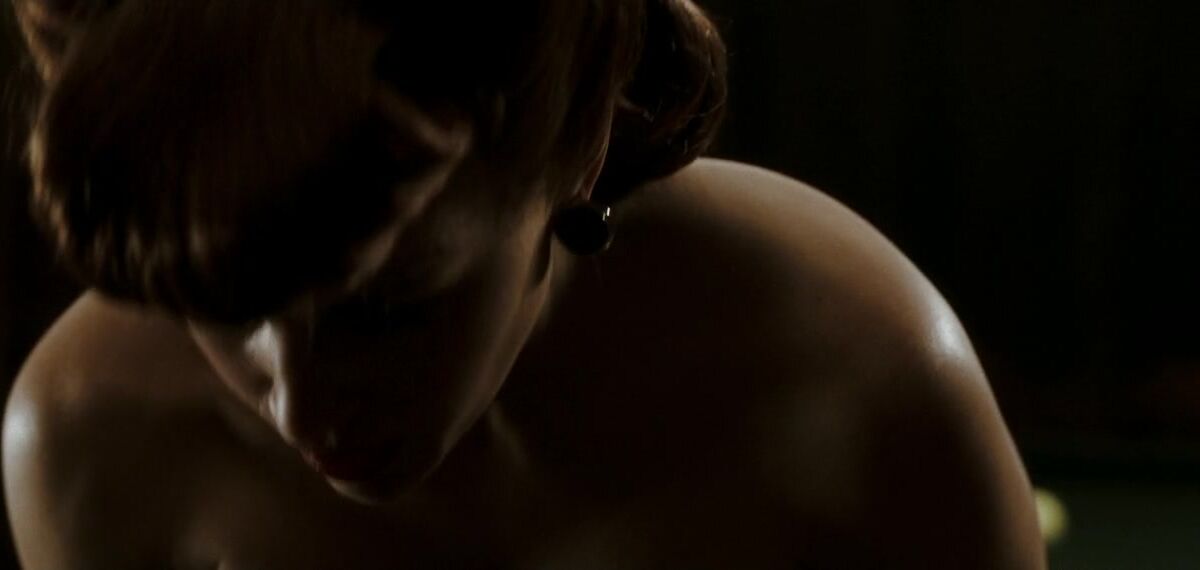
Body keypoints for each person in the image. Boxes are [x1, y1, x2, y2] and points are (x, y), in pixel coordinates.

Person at [2, 0, 1046, 567]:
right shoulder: (90, 439)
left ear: (576, 145)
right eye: (222, 301)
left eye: (388, 310)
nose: (301, 409)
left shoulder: (860, 395)